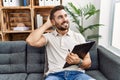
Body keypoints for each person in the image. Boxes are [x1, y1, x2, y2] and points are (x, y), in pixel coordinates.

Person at [26, 5, 95, 80]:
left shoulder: (78, 37)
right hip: (55, 75)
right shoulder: (48, 37)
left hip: (77, 74)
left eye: (65, 16)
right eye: (60, 17)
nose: (65, 19)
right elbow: (30, 41)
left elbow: (88, 63)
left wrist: (78, 61)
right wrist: (47, 24)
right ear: (53, 21)